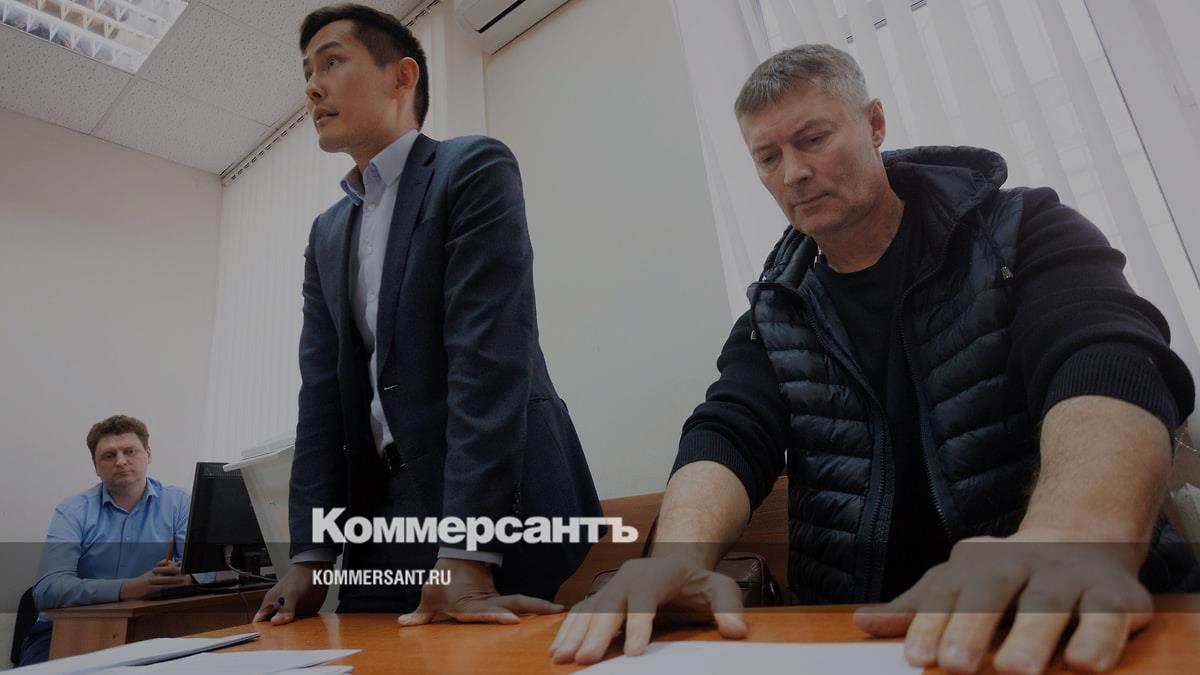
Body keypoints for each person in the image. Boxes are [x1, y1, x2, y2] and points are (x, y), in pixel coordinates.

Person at [551, 45, 1197, 673]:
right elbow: (728, 430)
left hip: (1058, 617)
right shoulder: (776, 309)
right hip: (855, 635)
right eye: (768, 157)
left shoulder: (1020, 230)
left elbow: (1108, 359)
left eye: (812, 139)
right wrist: (675, 558)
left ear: (875, 123)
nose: (792, 173)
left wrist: (1073, 536)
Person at [253, 4, 602, 627]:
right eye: (307, 72)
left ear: (402, 76)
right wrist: (309, 555)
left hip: (497, 500)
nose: (312, 87)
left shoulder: (471, 168)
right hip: (381, 514)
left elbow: (487, 359)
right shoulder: (327, 233)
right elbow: (324, 398)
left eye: (331, 62)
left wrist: (467, 549)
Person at [20, 415, 192, 666]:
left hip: (149, 623)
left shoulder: (180, 503)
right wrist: (130, 588)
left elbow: (203, 571)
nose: (120, 461)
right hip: (68, 628)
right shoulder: (72, 511)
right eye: (109, 456)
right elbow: (48, 590)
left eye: (129, 451)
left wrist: (188, 578)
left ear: (148, 454)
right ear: (96, 467)